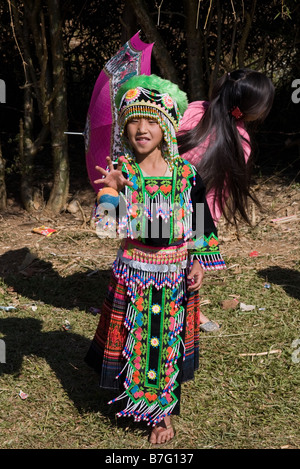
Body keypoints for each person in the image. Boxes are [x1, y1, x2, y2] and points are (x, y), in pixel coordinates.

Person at [85, 74, 226, 445]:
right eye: (133, 121)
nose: (141, 129)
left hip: (175, 275)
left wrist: (198, 262)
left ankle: (160, 416)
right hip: (134, 274)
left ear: (165, 127)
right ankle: (131, 399)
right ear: (124, 129)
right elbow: (104, 224)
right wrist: (110, 192)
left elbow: (200, 222)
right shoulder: (123, 174)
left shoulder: (186, 175)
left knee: (164, 342)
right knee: (135, 338)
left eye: (150, 121)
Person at [177, 68, 275, 332]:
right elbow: (215, 198)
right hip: (196, 214)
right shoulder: (239, 142)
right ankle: (190, 312)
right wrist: (203, 245)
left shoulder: (195, 109)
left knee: (159, 258)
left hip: (157, 202)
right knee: (189, 267)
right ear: (251, 110)